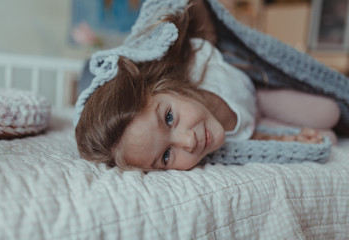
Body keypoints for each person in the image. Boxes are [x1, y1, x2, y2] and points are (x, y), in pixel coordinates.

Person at [75, 0, 340, 171]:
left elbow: (195, 7)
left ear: (167, 88)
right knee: (325, 141)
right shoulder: (217, 147)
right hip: (256, 122)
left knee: (329, 112)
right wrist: (287, 138)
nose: (189, 141)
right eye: (166, 156)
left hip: (257, 91)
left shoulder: (196, 59)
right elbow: (250, 137)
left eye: (169, 118)